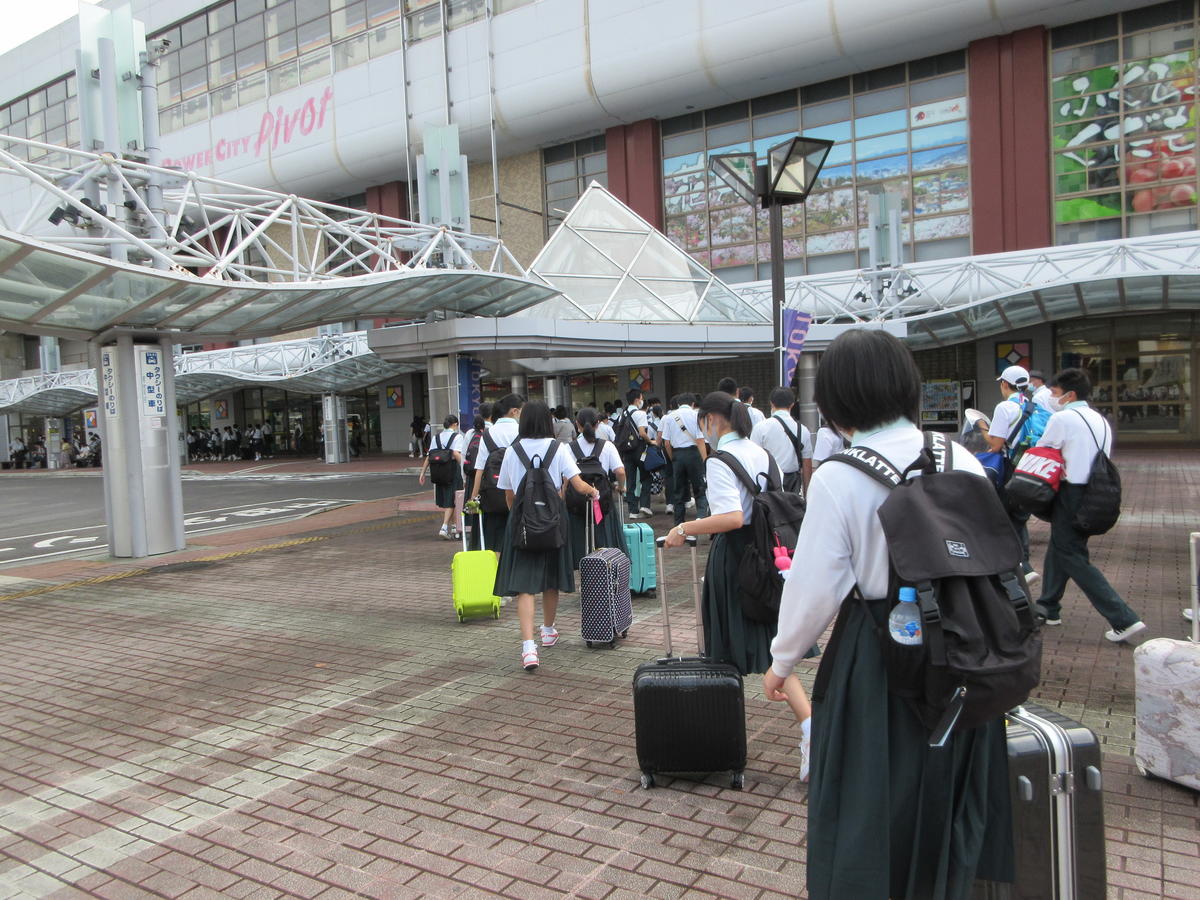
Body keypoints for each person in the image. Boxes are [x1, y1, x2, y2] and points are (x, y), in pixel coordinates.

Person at [765, 328, 1013, 898]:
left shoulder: (839, 476)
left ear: (838, 401)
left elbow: (813, 592)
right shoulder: (958, 455)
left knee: (871, 799)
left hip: (880, 656)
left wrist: (781, 664)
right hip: (966, 650)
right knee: (949, 789)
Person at [662, 390, 813, 771]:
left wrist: (683, 527)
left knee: (726, 648)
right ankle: (810, 732)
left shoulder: (719, 461)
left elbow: (731, 517)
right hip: (770, 558)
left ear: (712, 420)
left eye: (703, 423)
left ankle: (723, 737)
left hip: (735, 561)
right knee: (773, 650)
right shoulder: (762, 454)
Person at [1034, 367, 1146, 642]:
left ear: (1070, 395)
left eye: (1055, 392)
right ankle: (1048, 606)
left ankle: (1124, 619)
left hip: (1071, 492)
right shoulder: (1099, 419)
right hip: (1095, 493)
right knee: (1062, 547)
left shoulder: (1063, 418)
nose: (1052, 397)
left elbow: (1043, 450)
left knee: (1071, 555)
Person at [494, 401, 600, 671]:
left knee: (525, 586)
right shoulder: (558, 448)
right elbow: (577, 484)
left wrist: (519, 516)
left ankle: (528, 648)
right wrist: (594, 491)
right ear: (546, 422)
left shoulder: (512, 451)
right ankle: (548, 630)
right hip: (553, 521)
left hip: (522, 523)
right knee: (550, 579)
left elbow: (508, 494)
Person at [980, 365, 1040, 584]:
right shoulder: (1032, 405)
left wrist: (981, 426)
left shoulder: (1004, 407)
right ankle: (1025, 565)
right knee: (1019, 516)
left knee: (1002, 516)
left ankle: (1019, 568)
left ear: (1005, 384)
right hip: (1029, 466)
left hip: (1010, 467)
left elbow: (995, 445)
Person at [566, 407, 627, 569]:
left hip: (576, 503)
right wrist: (621, 487)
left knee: (579, 538)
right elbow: (620, 471)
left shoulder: (568, 448)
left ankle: (582, 568)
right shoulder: (607, 446)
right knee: (605, 538)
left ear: (577, 424)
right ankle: (604, 569)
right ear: (597, 424)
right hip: (602, 501)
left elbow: (565, 478)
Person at [472, 394, 524, 554]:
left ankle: (495, 567)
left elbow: (480, 469)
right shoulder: (522, 432)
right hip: (518, 494)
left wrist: (473, 498)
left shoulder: (488, 434)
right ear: (514, 411)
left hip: (492, 496)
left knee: (493, 542)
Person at [750, 386, 812, 494]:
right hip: (792, 487)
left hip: (768, 485)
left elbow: (753, 460)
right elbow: (807, 465)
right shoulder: (803, 430)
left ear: (771, 403)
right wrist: (807, 495)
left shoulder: (760, 428)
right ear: (792, 404)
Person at [418, 415, 464, 540]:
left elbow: (429, 456)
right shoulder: (457, 437)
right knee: (452, 499)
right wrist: (465, 466)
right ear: (455, 424)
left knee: (450, 499)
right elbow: (456, 453)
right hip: (452, 470)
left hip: (439, 471)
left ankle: (454, 527)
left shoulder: (436, 437)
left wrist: (422, 473)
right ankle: (444, 527)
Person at [615, 388, 653, 520]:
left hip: (627, 451)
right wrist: (651, 441)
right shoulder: (640, 414)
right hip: (639, 449)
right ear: (637, 400)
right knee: (646, 477)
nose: (642, 401)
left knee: (630, 480)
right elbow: (642, 433)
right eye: (641, 398)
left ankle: (632, 511)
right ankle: (644, 505)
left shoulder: (623, 414)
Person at [460, 404, 491, 550]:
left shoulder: (470, 433)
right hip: (490, 478)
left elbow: (463, 457)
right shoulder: (493, 430)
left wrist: (464, 478)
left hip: (473, 477)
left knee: (475, 510)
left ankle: (475, 543)